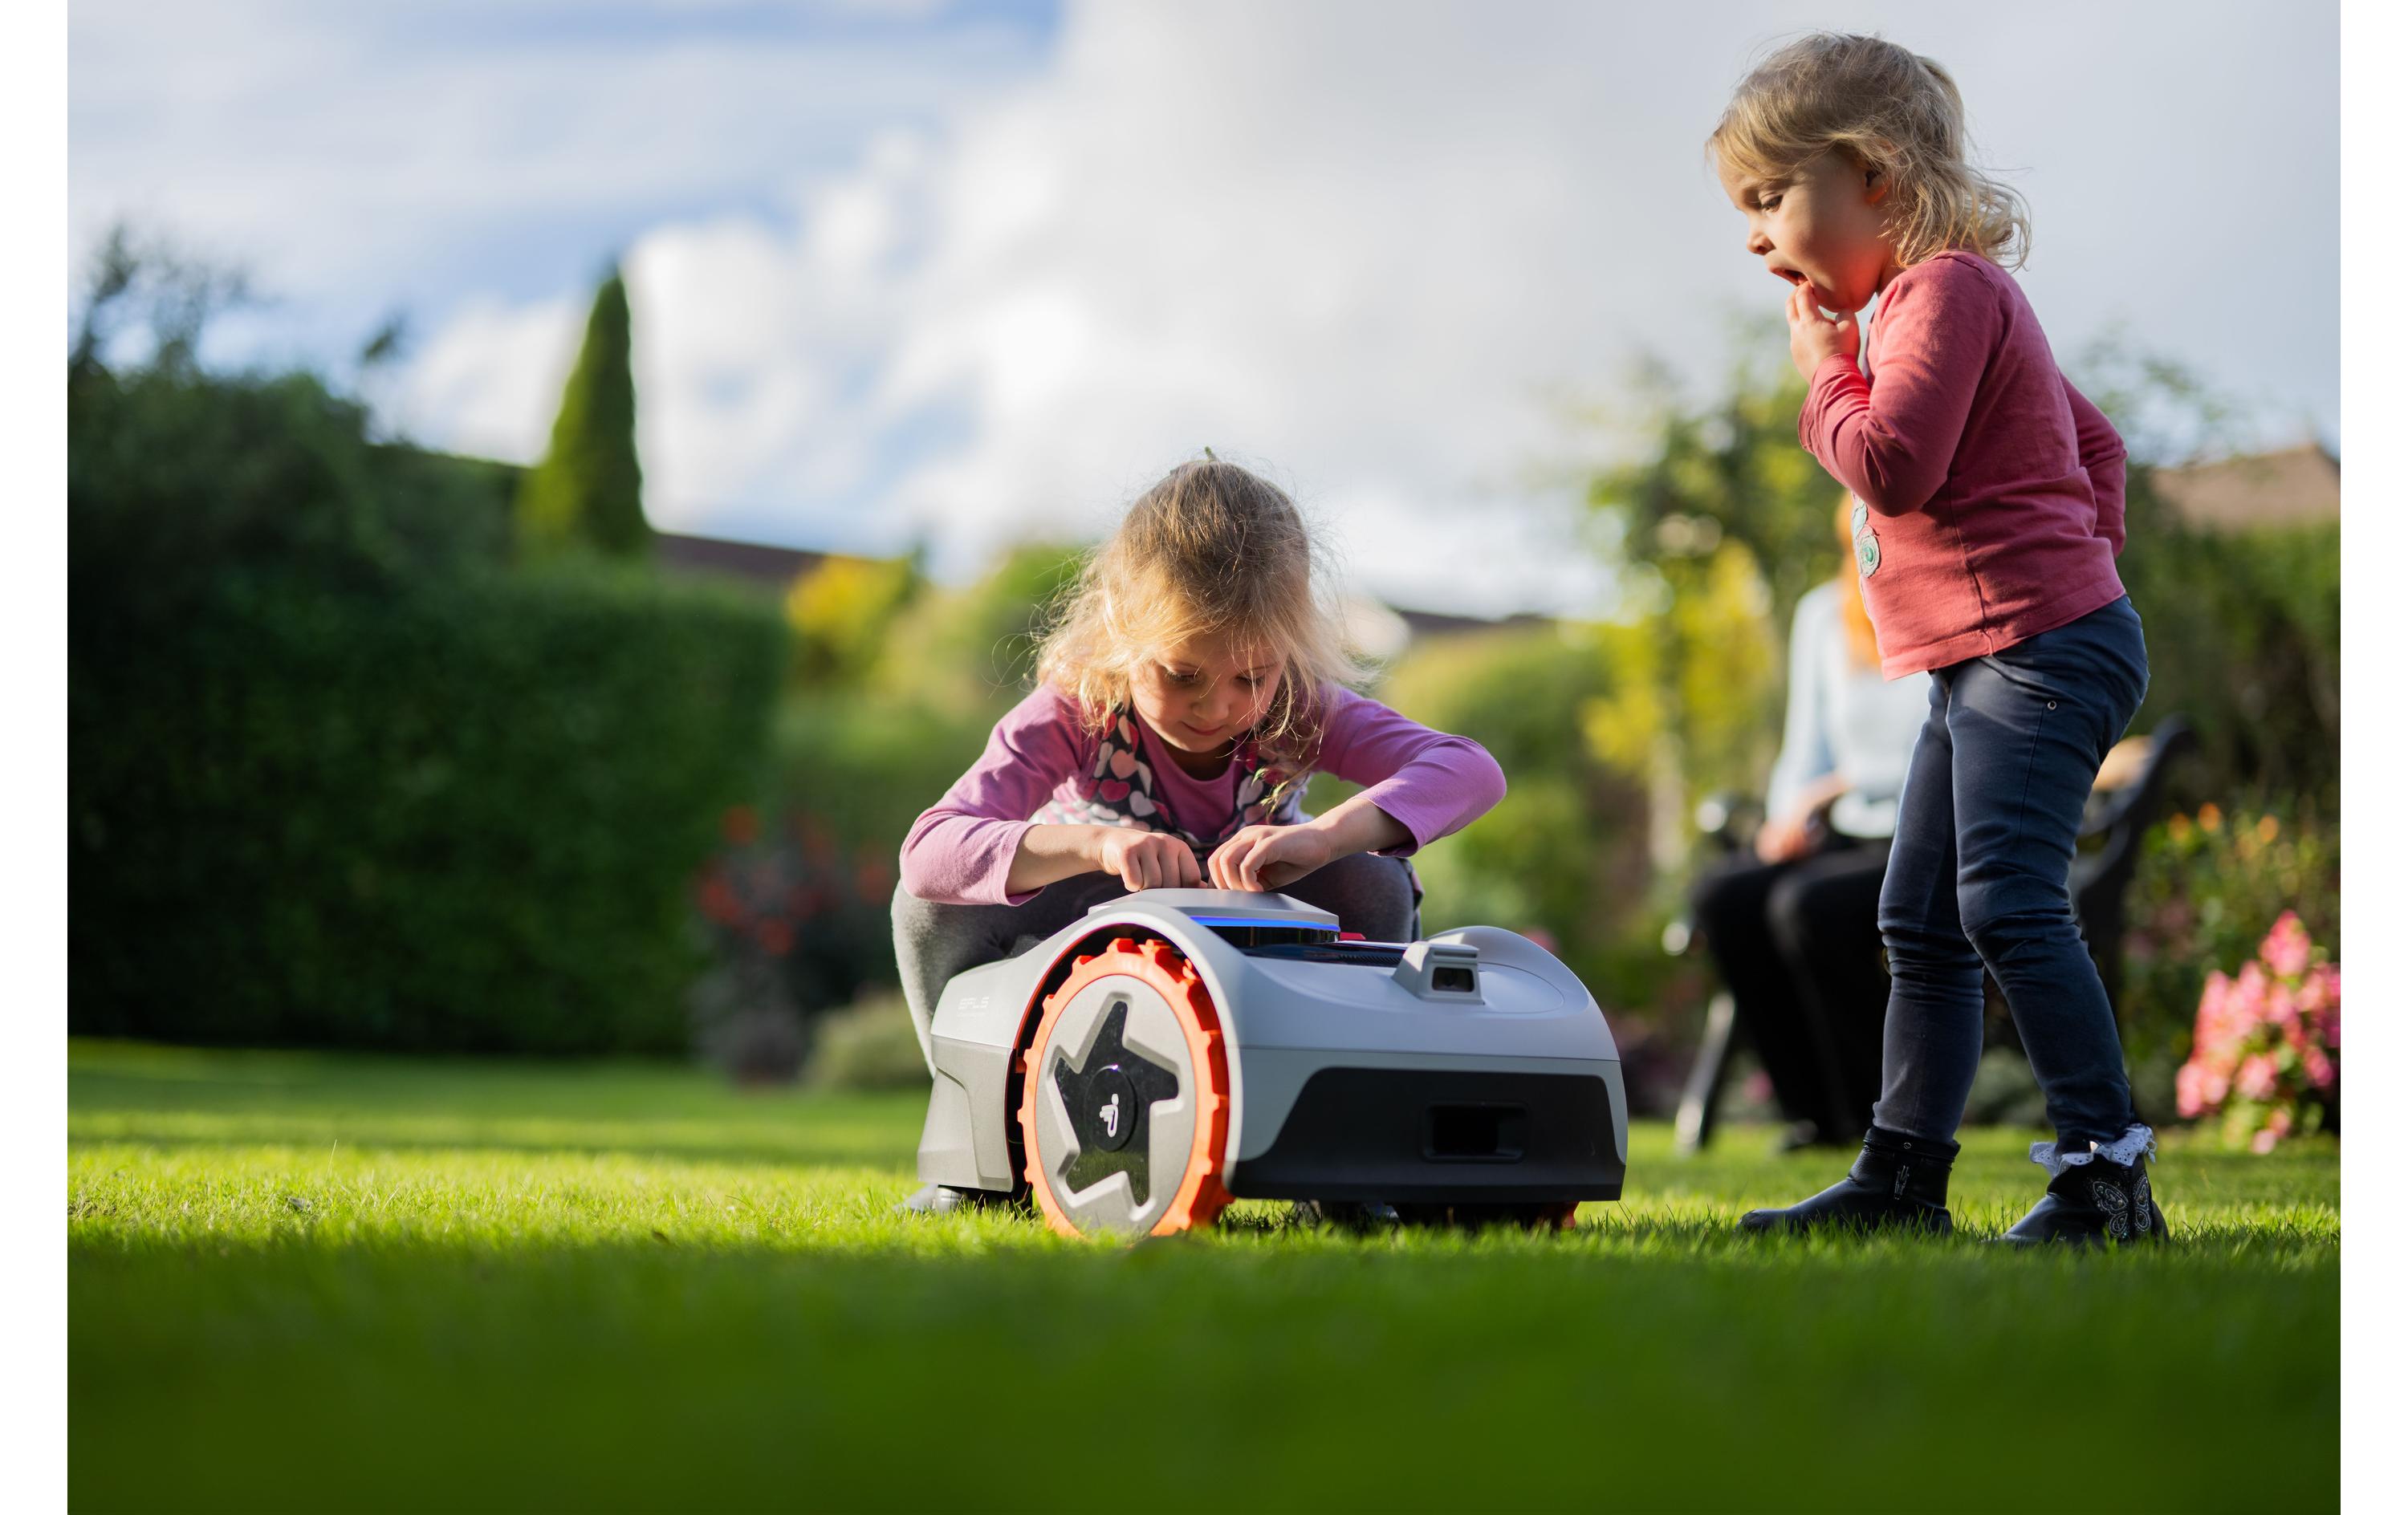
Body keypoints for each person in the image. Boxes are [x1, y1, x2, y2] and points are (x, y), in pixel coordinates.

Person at [1709, 32, 2160, 1244]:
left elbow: (1892, 470)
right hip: (1999, 656)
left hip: (2041, 650)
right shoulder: (1929, 310)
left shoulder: (1948, 294)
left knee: (2008, 904)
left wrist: (1823, 376)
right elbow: (2099, 447)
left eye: (1769, 196)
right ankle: (1903, 1177)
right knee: (1915, 920)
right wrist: (2068, 564)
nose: (1755, 234)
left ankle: (2105, 1173)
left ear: (1874, 178)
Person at [892, 457, 1507, 1214]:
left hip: (1247, 931)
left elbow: (1470, 770)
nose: (1216, 706)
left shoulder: (1302, 708)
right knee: (928, 903)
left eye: (1250, 678)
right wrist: (1097, 846)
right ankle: (984, 1162)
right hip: (1090, 927)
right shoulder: (1075, 711)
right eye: (1182, 674)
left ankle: (1341, 1166)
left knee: (1371, 880)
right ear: (1121, 626)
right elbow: (929, 850)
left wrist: (1322, 838)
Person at [1690, 493, 1929, 1147]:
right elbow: (1806, 748)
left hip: (1929, 833)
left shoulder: (1952, 608)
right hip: (1844, 833)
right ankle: (1815, 1114)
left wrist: (1842, 784)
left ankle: (1880, 1112)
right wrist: (1785, 816)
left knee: (1808, 907)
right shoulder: (1823, 615)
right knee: (1726, 897)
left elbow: (1952, 747)